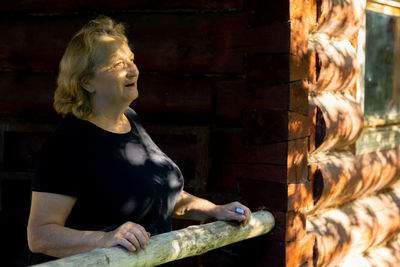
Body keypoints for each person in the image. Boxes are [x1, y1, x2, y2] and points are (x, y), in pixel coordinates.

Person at [27, 16, 251, 265]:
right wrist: (106, 239)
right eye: (116, 65)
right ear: (86, 82)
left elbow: (157, 193)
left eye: (131, 60)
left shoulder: (130, 120)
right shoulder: (67, 144)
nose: (133, 69)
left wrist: (213, 209)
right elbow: (40, 235)